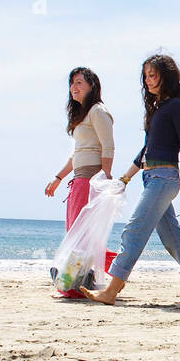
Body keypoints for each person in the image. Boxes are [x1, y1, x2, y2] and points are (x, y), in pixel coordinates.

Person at [81, 54, 180, 305]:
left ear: (167, 76)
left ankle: (111, 291)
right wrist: (124, 179)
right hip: (151, 178)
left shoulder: (178, 106)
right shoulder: (156, 109)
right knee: (173, 238)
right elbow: (145, 150)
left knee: (134, 231)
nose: (149, 81)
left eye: (154, 75)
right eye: (146, 76)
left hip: (165, 177)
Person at [46, 68, 114, 297]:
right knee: (75, 234)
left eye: (79, 83)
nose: (73, 88)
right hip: (78, 180)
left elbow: (108, 146)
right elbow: (76, 154)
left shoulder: (98, 111)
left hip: (90, 181)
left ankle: (77, 285)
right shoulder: (81, 115)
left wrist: (105, 179)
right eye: (71, 84)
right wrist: (58, 178)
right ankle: (76, 282)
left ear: (91, 85)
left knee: (82, 236)